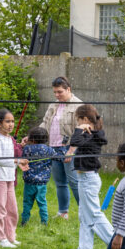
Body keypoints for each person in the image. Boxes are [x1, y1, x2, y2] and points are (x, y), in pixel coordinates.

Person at [69, 103, 114, 249]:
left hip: (88, 179)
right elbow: (76, 142)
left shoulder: (92, 135)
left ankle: (116, 244)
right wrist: (81, 129)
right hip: (84, 178)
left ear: (86, 119)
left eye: (78, 120)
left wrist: (79, 129)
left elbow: (74, 141)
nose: (77, 123)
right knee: (84, 214)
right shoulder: (90, 134)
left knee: (94, 214)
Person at [39, 76, 83, 220]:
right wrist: (33, 137)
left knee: (74, 182)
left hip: (69, 148)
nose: (57, 95)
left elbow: (80, 130)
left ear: (68, 89)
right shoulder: (53, 105)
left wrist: (72, 150)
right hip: (53, 147)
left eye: (59, 92)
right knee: (60, 183)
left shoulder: (79, 106)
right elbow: (45, 123)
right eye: (55, 92)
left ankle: (85, 211)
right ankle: (63, 212)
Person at [0, 108, 23, 248]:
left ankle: (10, 236)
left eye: (12, 121)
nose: (11, 124)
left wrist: (20, 163)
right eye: (7, 121)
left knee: (12, 209)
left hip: (9, 178)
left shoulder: (10, 139)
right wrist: (17, 161)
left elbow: (12, 159)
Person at [20, 126, 56, 226]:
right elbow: (58, 157)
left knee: (27, 202)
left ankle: (24, 221)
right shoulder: (49, 150)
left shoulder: (27, 148)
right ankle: (44, 221)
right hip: (42, 182)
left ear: (32, 138)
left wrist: (23, 145)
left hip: (29, 181)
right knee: (42, 202)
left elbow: (21, 158)